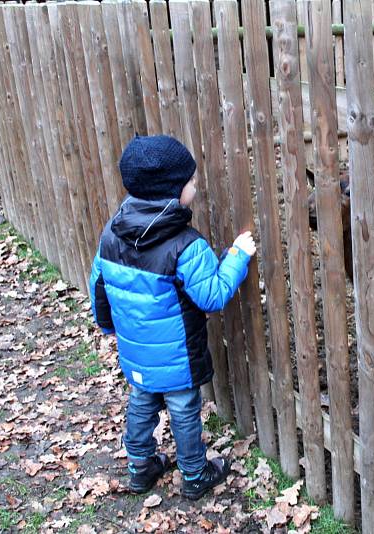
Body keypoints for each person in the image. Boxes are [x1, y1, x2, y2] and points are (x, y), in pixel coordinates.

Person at [90, 135, 256, 500]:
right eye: (191, 182)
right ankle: (195, 474)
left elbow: (98, 284)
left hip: (135, 351)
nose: (196, 186)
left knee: (141, 402)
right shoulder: (186, 244)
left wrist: (107, 324)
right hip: (177, 355)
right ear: (171, 192)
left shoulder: (111, 232)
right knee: (182, 409)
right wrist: (238, 256)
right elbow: (211, 295)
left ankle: (140, 467)